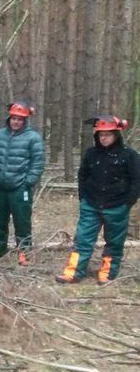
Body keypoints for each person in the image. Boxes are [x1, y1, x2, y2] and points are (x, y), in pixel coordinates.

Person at [56, 115, 140, 285]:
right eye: (101, 134)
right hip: (91, 204)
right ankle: (73, 272)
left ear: (116, 135)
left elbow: (137, 180)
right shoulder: (91, 154)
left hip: (117, 206)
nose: (104, 138)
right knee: (82, 239)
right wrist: (83, 198)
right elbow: (83, 175)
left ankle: (107, 273)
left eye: (108, 134)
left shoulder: (129, 156)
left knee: (114, 243)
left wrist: (128, 202)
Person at [0, 101, 45, 265]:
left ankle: (24, 251)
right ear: (9, 118)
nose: (16, 122)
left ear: (25, 120)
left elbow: (37, 163)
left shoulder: (33, 138)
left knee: (22, 220)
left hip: (20, 187)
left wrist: (28, 182)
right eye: (14, 118)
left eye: (20, 119)